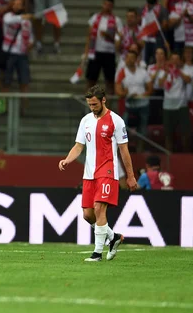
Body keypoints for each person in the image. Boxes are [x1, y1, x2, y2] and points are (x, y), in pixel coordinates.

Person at [58, 85, 137, 262]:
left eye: (94, 104)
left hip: (107, 170)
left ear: (103, 100)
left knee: (99, 208)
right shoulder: (85, 120)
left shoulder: (116, 121)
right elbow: (79, 146)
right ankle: (113, 236)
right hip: (89, 173)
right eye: (89, 105)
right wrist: (67, 159)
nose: (92, 108)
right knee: (88, 214)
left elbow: (124, 150)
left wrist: (130, 176)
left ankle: (97, 253)